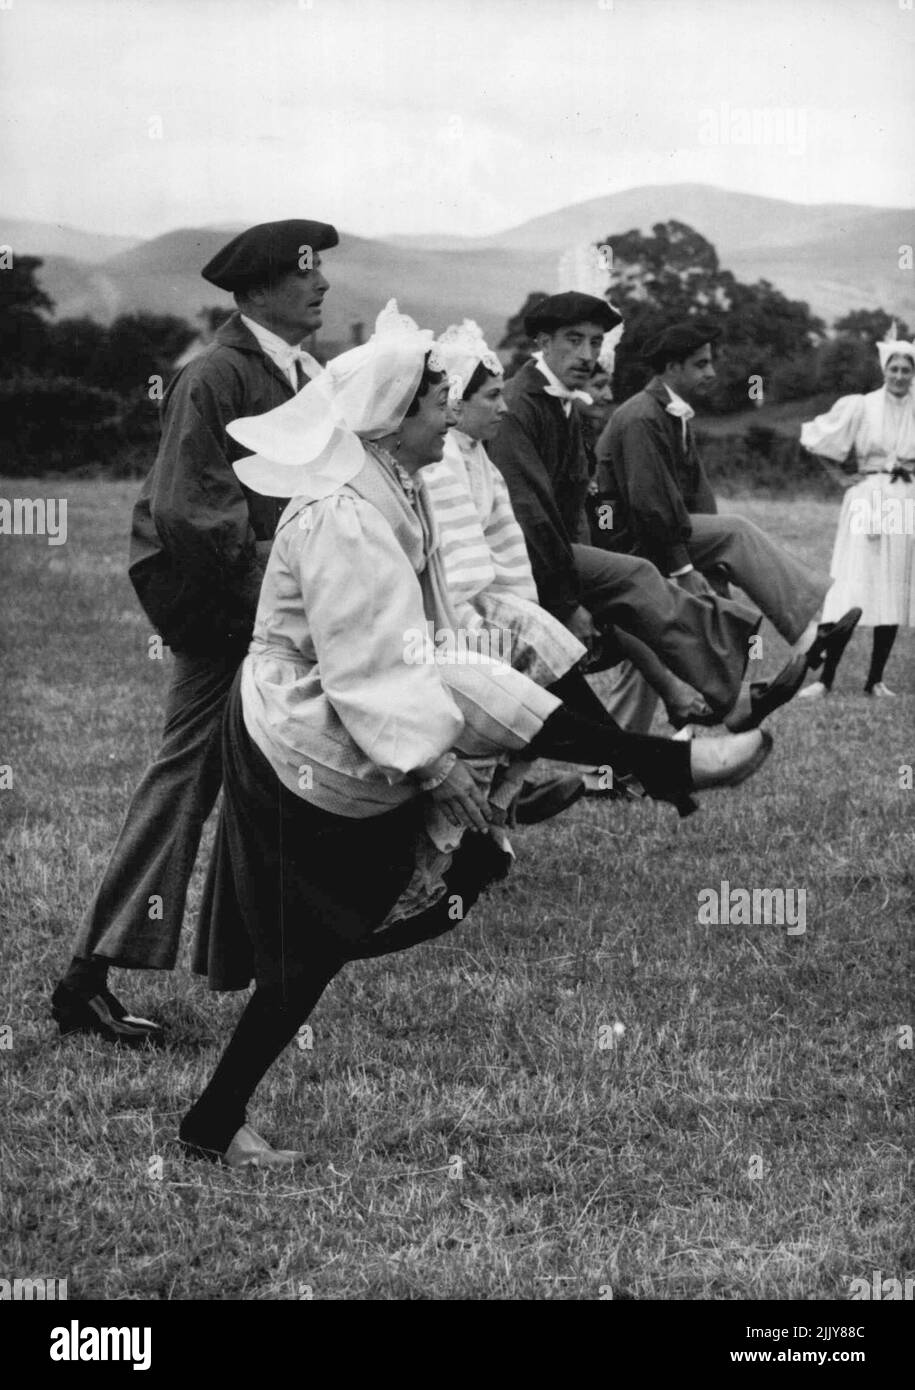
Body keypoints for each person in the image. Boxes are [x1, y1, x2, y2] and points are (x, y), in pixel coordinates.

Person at [180, 303, 772, 1167]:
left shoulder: (396, 485)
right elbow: (363, 667)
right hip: (306, 725)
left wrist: (468, 714)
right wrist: (433, 764)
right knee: (316, 940)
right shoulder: (345, 512)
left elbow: (415, 638)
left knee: (337, 929)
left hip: (347, 710)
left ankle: (667, 764)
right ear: (396, 418)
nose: (449, 415)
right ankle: (211, 1120)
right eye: (435, 402)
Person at [51, 218, 339, 1046]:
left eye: (319, 272)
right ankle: (85, 978)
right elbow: (190, 511)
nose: (319, 285)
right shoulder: (213, 377)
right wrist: (283, 601)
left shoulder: (300, 373)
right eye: (302, 274)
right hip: (225, 612)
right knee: (188, 779)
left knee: (258, 780)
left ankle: (249, 955)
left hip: (273, 604)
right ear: (253, 293)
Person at [489, 293, 811, 734]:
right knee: (637, 577)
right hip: (517, 565)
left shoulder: (561, 404)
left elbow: (574, 508)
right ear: (542, 342)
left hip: (559, 556)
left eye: (596, 343)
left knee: (639, 583)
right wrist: (568, 602)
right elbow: (530, 518)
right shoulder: (519, 407)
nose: (587, 355)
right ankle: (720, 701)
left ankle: (711, 702)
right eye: (574, 340)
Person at [594, 320, 862, 694]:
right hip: (629, 546)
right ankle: (808, 640)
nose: (712, 373)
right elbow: (648, 504)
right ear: (672, 368)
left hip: (661, 536)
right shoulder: (642, 416)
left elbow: (695, 495)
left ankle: (733, 699)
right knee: (735, 533)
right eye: (701, 364)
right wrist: (684, 566)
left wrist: (714, 558)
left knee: (674, 637)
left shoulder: (672, 414)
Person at [799, 330, 915, 698]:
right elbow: (817, 438)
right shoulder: (862, 405)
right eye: (894, 369)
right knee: (854, 584)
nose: (899, 376)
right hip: (868, 495)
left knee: (893, 585)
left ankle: (875, 680)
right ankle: (825, 679)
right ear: (885, 370)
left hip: (903, 499)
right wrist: (840, 477)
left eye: (906, 370)